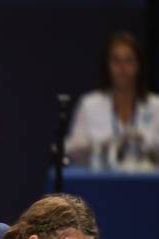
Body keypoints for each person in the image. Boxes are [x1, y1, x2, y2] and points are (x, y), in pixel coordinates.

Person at [66, 31, 159, 171]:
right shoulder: (89, 104)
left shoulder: (156, 105)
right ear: (107, 65)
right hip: (99, 183)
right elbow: (72, 150)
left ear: (139, 65)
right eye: (116, 60)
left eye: (129, 60)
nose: (122, 67)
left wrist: (147, 147)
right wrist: (100, 148)